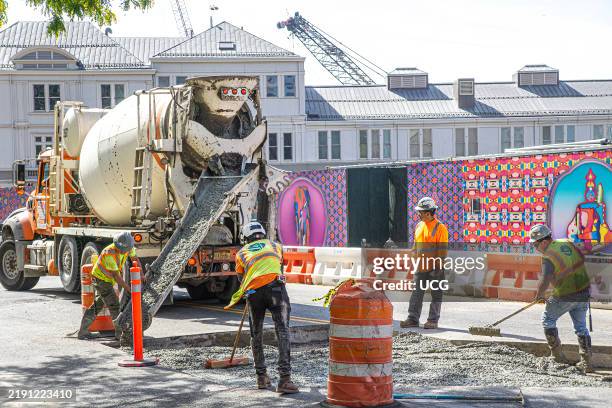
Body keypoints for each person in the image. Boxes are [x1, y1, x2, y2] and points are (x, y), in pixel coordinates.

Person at [225, 221, 299, 394]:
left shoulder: (241, 253)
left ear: (245, 238)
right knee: (282, 330)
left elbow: (241, 277)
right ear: (263, 233)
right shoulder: (275, 246)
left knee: (255, 334)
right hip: (275, 289)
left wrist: (251, 290)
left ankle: (261, 378)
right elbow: (280, 266)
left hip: (254, 292)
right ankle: (285, 379)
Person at [530, 224, 593, 373]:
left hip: (565, 294)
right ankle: (586, 362)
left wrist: (539, 295)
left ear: (544, 241)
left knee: (548, 319)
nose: (535, 247)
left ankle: (557, 356)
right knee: (581, 327)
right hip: (583, 292)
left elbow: (545, 278)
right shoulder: (566, 242)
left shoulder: (548, 256)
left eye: (535, 244)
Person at [77, 232, 143, 340]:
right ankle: (120, 335)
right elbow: (116, 276)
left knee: (98, 304)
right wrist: (129, 289)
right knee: (114, 305)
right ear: (118, 245)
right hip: (100, 279)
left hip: (108, 279)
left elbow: (135, 259)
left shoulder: (128, 247)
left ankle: (83, 331)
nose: (124, 252)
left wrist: (141, 274)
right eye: (122, 250)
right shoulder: (109, 253)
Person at [400, 197, 449, 330]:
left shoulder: (440, 228)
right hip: (420, 267)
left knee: (436, 294)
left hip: (435, 267)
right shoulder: (419, 226)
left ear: (428, 213)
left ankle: (433, 320)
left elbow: (442, 251)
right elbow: (416, 246)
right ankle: (412, 319)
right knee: (416, 293)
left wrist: (438, 268)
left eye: (421, 212)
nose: (418, 214)